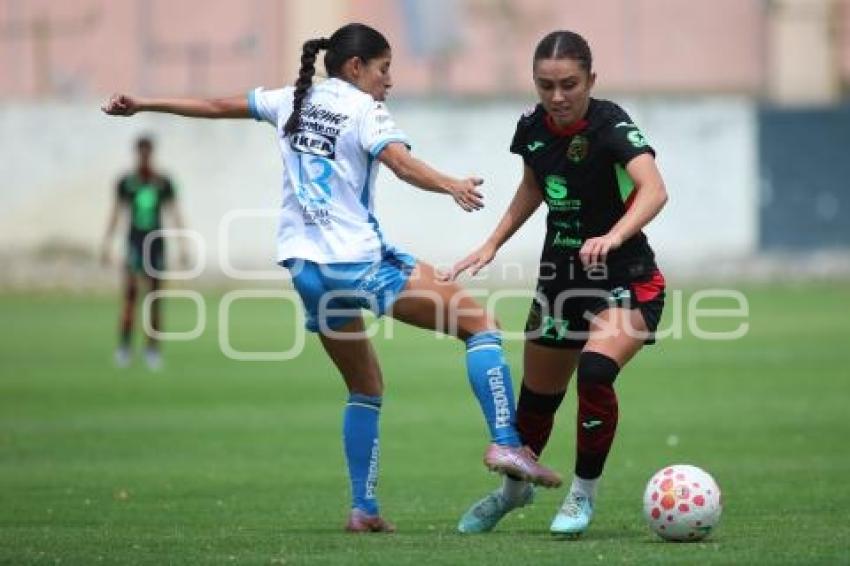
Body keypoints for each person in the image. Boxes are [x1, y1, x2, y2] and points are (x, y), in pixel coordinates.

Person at [101, 23, 562, 533]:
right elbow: (402, 164)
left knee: (364, 386)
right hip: (356, 263)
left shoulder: (290, 99)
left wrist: (143, 103)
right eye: (384, 69)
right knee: (480, 324)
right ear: (356, 67)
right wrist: (451, 184)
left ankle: (363, 508)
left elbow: (213, 105)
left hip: (306, 272)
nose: (389, 81)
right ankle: (505, 442)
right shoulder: (365, 109)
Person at [449, 30, 669, 536]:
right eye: (546, 85)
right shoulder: (532, 127)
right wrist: (492, 243)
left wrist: (613, 236)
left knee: (594, 371)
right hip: (560, 280)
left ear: (591, 80)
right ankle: (513, 492)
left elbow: (654, 190)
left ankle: (582, 494)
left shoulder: (611, 125)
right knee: (536, 399)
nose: (558, 96)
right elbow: (533, 186)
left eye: (569, 84)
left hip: (626, 277)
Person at [101, 136, 188, 370]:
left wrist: (183, 244)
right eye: (141, 153)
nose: (144, 157)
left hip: (156, 245)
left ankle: (152, 350)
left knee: (155, 299)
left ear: (152, 154)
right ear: (137, 153)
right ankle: (125, 347)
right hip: (134, 244)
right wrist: (107, 243)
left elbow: (174, 212)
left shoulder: (163, 182)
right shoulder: (126, 182)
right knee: (130, 296)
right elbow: (116, 213)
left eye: (148, 153)